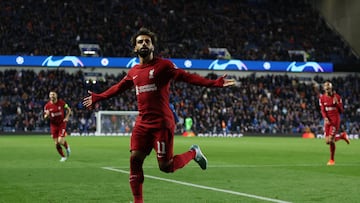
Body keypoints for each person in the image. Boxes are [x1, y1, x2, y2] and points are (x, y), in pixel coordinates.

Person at [82, 27, 235, 203]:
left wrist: (214, 83)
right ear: (135, 48)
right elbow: (118, 88)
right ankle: (138, 201)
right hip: (142, 124)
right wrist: (99, 97)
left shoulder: (164, 66)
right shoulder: (134, 72)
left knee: (166, 167)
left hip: (162, 124)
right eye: (140, 42)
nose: (144, 44)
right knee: (135, 159)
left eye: (147, 41)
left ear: (153, 46)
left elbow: (187, 77)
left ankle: (194, 153)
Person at [319, 81, 350, 166]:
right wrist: (325, 118)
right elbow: (322, 110)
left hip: (335, 121)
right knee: (327, 141)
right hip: (327, 121)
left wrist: (337, 104)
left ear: (331, 88)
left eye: (328, 88)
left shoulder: (337, 97)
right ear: (324, 89)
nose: (327, 89)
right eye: (326, 88)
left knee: (330, 140)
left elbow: (341, 111)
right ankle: (342, 136)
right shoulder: (322, 98)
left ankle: (332, 160)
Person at [44, 91, 72, 162]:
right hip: (53, 125)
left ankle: (67, 147)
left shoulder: (62, 103)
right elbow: (45, 117)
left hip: (61, 124)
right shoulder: (47, 106)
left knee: (60, 141)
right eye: (50, 95)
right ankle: (63, 157)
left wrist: (67, 117)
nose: (52, 96)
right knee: (56, 143)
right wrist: (46, 115)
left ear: (56, 95)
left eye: (53, 94)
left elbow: (69, 110)